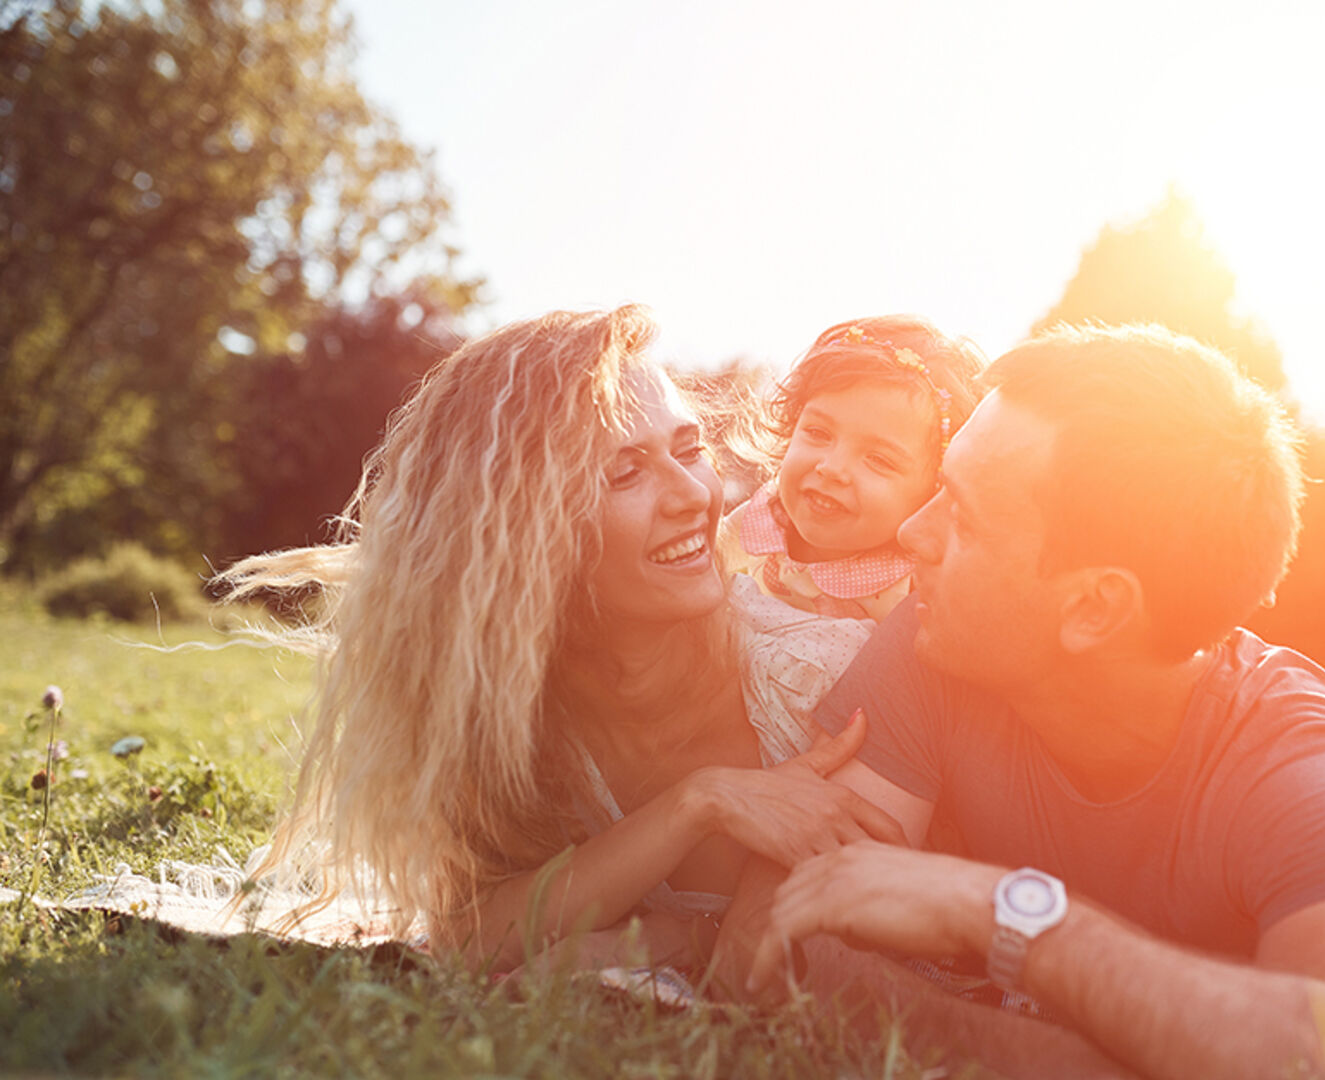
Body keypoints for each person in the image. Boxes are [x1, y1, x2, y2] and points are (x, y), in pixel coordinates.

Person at [735, 323, 1325, 1079]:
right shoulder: (937, 637)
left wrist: (1002, 909)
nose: (910, 532)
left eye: (960, 514)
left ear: (1093, 607)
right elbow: (769, 936)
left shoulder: (1298, 760)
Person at [217, 306, 908, 974]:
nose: (691, 497)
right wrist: (698, 804)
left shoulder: (818, 676)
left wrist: (685, 940)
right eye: (624, 473)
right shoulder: (509, 717)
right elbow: (470, 938)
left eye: (689, 450)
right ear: (524, 536)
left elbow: (902, 930)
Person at [720, 315, 984, 623]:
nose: (831, 468)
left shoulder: (914, 588)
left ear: (933, 491)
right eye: (818, 433)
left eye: (878, 459)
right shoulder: (763, 520)